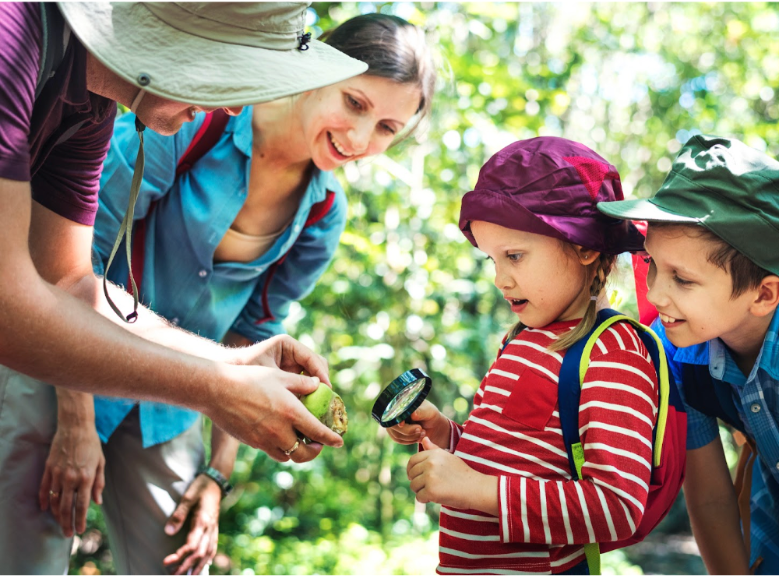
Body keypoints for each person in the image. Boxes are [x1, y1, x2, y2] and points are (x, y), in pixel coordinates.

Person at [43, 13, 435, 576]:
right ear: (318, 71)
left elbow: (253, 336)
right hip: (63, 366)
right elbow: (74, 259)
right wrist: (75, 421)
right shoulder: (198, 119)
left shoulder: (324, 212)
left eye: (388, 129)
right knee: (29, 553)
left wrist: (216, 475)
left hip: (171, 409)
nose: (360, 140)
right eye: (354, 103)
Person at [386, 137, 662, 574]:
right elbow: (511, 460)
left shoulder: (612, 352)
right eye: (492, 259)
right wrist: (444, 434)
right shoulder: (519, 341)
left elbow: (616, 506)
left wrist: (476, 490)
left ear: (584, 247)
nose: (499, 278)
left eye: (514, 255)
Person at [597, 135, 779, 574]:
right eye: (653, 265)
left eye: (682, 279)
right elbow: (711, 498)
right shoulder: (674, 352)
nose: (655, 293)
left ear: (764, 293)